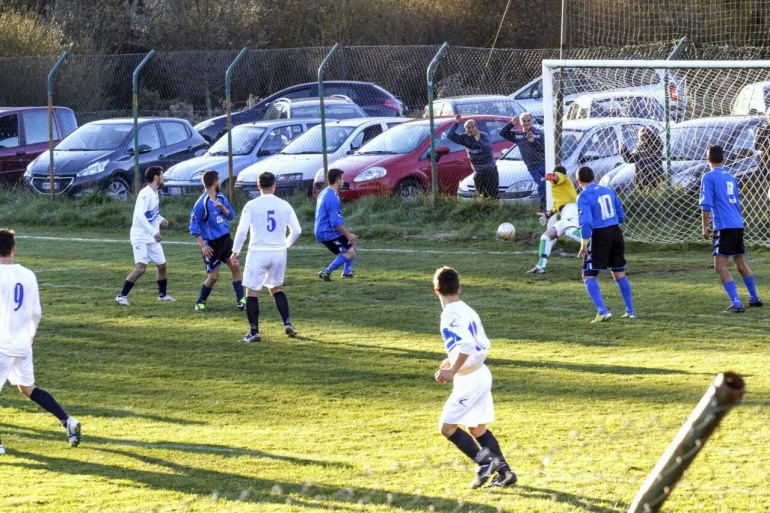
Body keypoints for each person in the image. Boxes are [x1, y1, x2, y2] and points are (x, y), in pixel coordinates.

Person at [433, 266, 517, 489]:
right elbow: (475, 343)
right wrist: (451, 360)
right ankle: (506, 473)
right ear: (459, 288)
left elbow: (467, 345)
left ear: (436, 290)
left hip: (469, 379)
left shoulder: (449, 314)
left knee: (446, 427)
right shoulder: (467, 309)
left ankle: (486, 463)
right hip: (479, 372)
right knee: (477, 428)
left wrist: (452, 370)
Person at [0, 228, 81, 454]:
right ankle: (67, 422)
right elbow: (36, 312)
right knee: (27, 389)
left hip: (2, 343)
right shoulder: (28, 275)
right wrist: (31, 334)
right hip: (22, 343)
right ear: (13, 249)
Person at [231, 172, 301, 343]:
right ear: (274, 185)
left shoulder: (252, 205)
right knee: (276, 288)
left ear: (258, 186)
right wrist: (284, 245)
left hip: (258, 252)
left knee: (252, 291)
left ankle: (254, 332)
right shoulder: (284, 204)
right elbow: (297, 230)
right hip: (278, 252)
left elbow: (242, 231)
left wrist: (235, 251)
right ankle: (287, 323)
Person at [699, 144, 762, 313]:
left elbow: (706, 205)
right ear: (724, 159)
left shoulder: (708, 176)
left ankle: (736, 303)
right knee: (740, 262)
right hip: (737, 223)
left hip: (724, 226)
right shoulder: (731, 177)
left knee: (720, 267)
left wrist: (704, 227)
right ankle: (754, 297)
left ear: (708, 160)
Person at [576, 166, 635, 322]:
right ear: (594, 176)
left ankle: (602, 311)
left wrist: (584, 244)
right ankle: (630, 311)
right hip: (615, 232)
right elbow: (621, 215)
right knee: (619, 273)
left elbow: (587, 222)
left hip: (599, 235)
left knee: (588, 275)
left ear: (578, 181)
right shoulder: (608, 191)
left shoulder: (583, 196)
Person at [115, 166, 175, 305]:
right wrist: (154, 232)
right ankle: (121, 296)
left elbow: (152, 213)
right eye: (162, 175)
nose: (163, 177)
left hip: (151, 238)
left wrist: (161, 220)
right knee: (140, 269)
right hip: (140, 237)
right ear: (156, 178)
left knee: (162, 265)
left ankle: (162, 295)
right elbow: (139, 216)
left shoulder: (154, 193)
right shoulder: (145, 194)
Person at [189, 170, 245, 311]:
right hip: (212, 245)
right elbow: (193, 226)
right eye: (219, 180)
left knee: (235, 267)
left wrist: (223, 208)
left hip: (226, 241)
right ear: (215, 182)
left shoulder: (221, 197)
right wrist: (203, 246)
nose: (220, 182)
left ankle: (241, 300)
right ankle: (200, 302)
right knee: (214, 276)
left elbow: (231, 215)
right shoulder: (202, 203)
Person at [527, 165, 582, 274]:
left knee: (570, 232)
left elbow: (557, 177)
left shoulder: (562, 178)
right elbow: (556, 207)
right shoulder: (561, 191)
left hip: (571, 211)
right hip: (566, 213)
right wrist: (547, 215)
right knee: (546, 237)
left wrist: (550, 176)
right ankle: (540, 266)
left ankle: (594, 243)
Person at [315, 168, 359, 281]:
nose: (343, 181)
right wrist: (348, 234)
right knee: (349, 252)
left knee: (352, 244)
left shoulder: (325, 192)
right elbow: (335, 222)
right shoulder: (332, 198)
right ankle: (326, 272)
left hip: (325, 230)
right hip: (327, 232)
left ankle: (347, 272)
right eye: (342, 179)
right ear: (337, 180)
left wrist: (349, 236)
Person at [446, 115, 499, 200]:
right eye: (468, 128)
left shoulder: (484, 136)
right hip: (478, 172)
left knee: (493, 197)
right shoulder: (464, 138)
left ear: (476, 127)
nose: (470, 129)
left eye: (472, 127)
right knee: (482, 197)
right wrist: (456, 123)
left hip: (490, 171)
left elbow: (488, 150)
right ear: (465, 130)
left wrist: (479, 141)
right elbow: (450, 136)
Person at [500, 112, 546, 208]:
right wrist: (511, 123)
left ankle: (549, 206)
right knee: (542, 185)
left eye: (528, 120)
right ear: (520, 122)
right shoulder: (518, 135)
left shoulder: (539, 133)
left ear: (532, 120)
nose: (526, 123)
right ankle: (544, 206)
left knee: (548, 185)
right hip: (532, 167)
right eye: (524, 121)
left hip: (543, 164)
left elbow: (543, 148)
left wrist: (533, 141)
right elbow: (503, 133)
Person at [620, 126, 664, 191]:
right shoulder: (642, 148)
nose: (642, 139)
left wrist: (624, 150)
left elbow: (630, 159)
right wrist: (624, 150)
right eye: (641, 137)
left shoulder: (651, 147)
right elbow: (630, 159)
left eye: (645, 136)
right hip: (646, 179)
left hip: (649, 180)